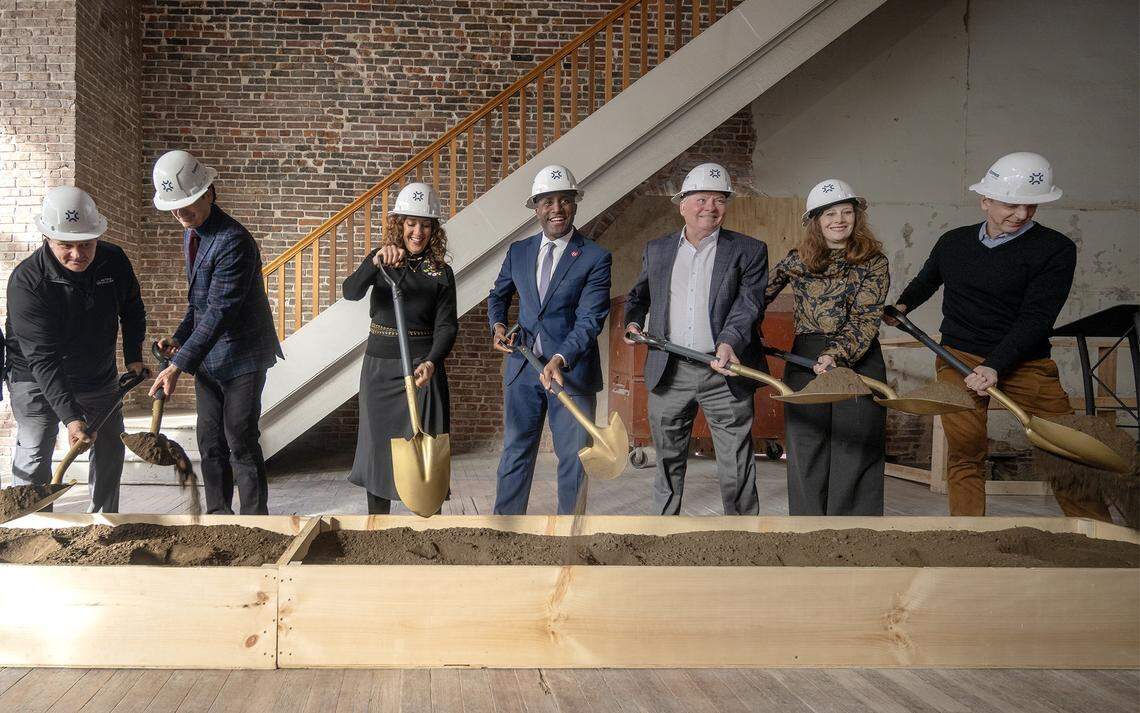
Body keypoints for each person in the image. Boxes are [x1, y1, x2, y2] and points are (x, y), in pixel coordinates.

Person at [887, 151, 1111, 520]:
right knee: (966, 452)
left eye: (1031, 206)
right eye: (1011, 204)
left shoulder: (1055, 249)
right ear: (985, 200)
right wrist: (904, 305)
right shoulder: (953, 242)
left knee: (1065, 450)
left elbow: (1037, 318)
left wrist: (995, 366)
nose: (1021, 215)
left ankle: (1102, 537)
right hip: (958, 359)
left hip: (1027, 363)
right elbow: (929, 278)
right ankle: (971, 538)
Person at [624, 162, 768, 516]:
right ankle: (665, 530)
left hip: (724, 371)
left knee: (736, 462)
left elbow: (748, 304)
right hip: (669, 369)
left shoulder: (748, 250)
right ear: (682, 204)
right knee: (668, 460)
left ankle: (743, 535)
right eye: (701, 198)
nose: (710, 207)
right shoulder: (657, 250)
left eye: (719, 200)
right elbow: (639, 297)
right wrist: (631, 324)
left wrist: (729, 341)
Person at [148, 150, 282, 515]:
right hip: (210, 358)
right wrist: (178, 338)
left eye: (186, 206)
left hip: (242, 356)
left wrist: (177, 367)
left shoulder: (233, 240)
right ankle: (219, 518)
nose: (180, 215)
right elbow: (200, 305)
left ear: (208, 192)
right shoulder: (193, 234)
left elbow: (221, 310)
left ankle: (256, 524)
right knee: (209, 440)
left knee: (239, 438)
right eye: (174, 209)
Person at [5, 186, 146, 512]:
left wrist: (134, 357)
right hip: (35, 374)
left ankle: (102, 522)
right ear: (48, 239)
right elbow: (43, 359)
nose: (77, 254)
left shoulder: (113, 260)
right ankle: (31, 526)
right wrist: (71, 418)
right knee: (36, 448)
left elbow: (132, 307)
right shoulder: (28, 283)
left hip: (96, 369)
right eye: (66, 245)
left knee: (110, 441)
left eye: (86, 244)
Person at [488, 164, 612, 515]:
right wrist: (497, 325)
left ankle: (569, 537)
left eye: (564, 200)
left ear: (574, 204)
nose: (556, 208)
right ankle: (506, 532)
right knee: (515, 450)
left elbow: (591, 320)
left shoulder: (595, 257)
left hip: (570, 371)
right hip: (523, 367)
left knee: (574, 458)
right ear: (536, 208)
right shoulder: (519, 251)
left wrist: (560, 358)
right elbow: (498, 295)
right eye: (547, 201)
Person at [765, 179, 889, 515]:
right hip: (806, 357)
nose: (839, 219)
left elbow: (866, 318)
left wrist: (835, 354)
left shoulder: (873, 261)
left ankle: (855, 531)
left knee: (856, 443)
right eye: (830, 213)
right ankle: (808, 530)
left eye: (846, 212)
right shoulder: (796, 260)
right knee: (807, 443)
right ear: (816, 221)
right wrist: (739, 335)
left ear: (856, 216)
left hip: (859, 357)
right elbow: (753, 298)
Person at [342, 182, 458, 514]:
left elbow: (447, 325)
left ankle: (427, 524)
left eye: (425, 224)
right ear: (400, 224)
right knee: (379, 449)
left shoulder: (440, 272)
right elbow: (350, 292)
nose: (417, 231)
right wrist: (374, 261)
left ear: (433, 228)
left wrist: (433, 361)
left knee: (427, 452)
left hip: (422, 369)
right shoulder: (383, 261)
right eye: (411, 223)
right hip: (379, 369)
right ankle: (378, 528)